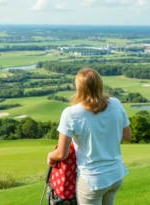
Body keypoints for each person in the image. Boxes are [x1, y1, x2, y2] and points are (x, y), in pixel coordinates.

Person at [47, 68, 131, 205]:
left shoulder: (71, 113)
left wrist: (50, 156)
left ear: (79, 87)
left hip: (92, 180)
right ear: (100, 84)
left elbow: (62, 153)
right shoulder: (116, 103)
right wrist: (105, 141)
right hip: (116, 174)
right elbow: (126, 135)